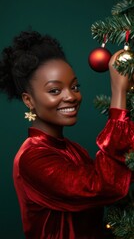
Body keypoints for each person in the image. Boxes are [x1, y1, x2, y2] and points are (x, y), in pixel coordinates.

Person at [0, 30, 133, 239]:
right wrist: (118, 92)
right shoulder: (32, 158)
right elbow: (104, 186)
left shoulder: (73, 149)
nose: (71, 96)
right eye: (54, 90)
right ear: (29, 100)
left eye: (75, 86)